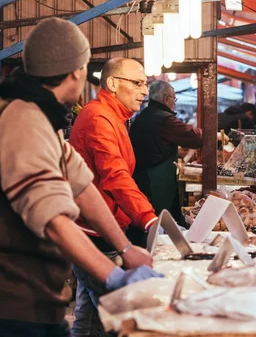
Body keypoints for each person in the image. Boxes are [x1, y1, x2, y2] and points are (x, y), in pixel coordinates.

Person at [0, 18, 159, 337]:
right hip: (15, 307)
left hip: (35, 300)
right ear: (76, 71)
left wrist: (125, 248)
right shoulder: (22, 120)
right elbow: (52, 216)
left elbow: (81, 186)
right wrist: (113, 276)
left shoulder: (38, 115)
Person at [69, 58, 161, 335]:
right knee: (115, 317)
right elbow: (115, 175)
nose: (145, 91)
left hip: (98, 226)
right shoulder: (99, 116)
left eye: (145, 84)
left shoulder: (113, 115)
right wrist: (148, 219)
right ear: (113, 83)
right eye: (138, 83)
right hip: (94, 230)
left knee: (88, 310)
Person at [130, 81, 203, 224]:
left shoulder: (147, 114)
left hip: (143, 177)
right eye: (174, 99)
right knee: (161, 223)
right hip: (155, 183)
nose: (174, 103)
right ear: (165, 98)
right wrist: (213, 135)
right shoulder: (164, 119)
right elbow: (195, 138)